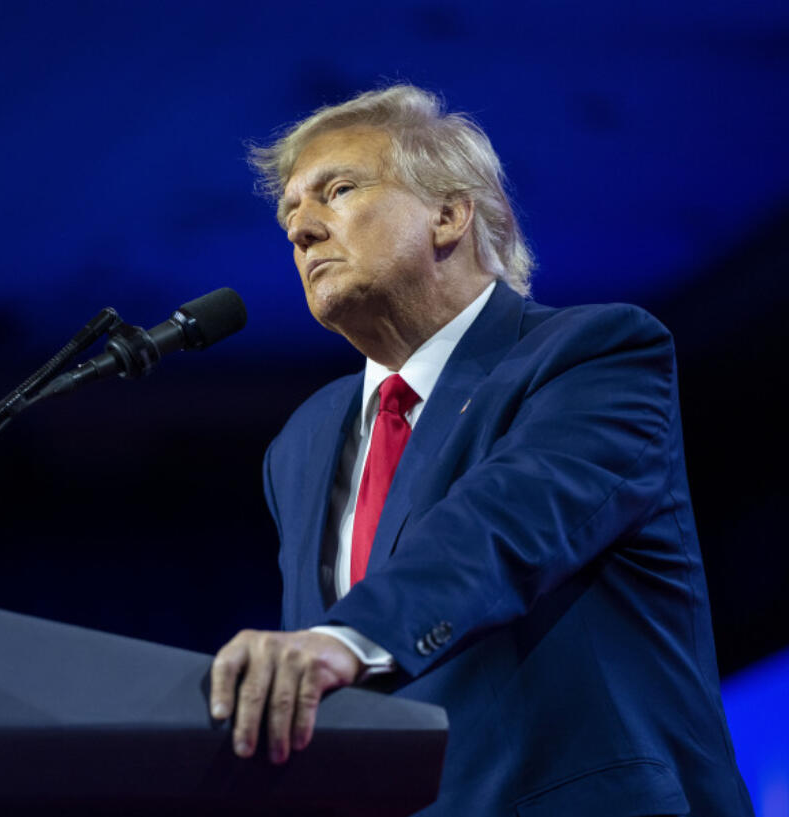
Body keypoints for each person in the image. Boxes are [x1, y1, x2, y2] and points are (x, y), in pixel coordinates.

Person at [208, 85, 754, 816]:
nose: (301, 230)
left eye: (336, 191)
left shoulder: (594, 355)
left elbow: (502, 526)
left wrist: (347, 638)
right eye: (289, 215)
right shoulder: (302, 444)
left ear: (449, 212)